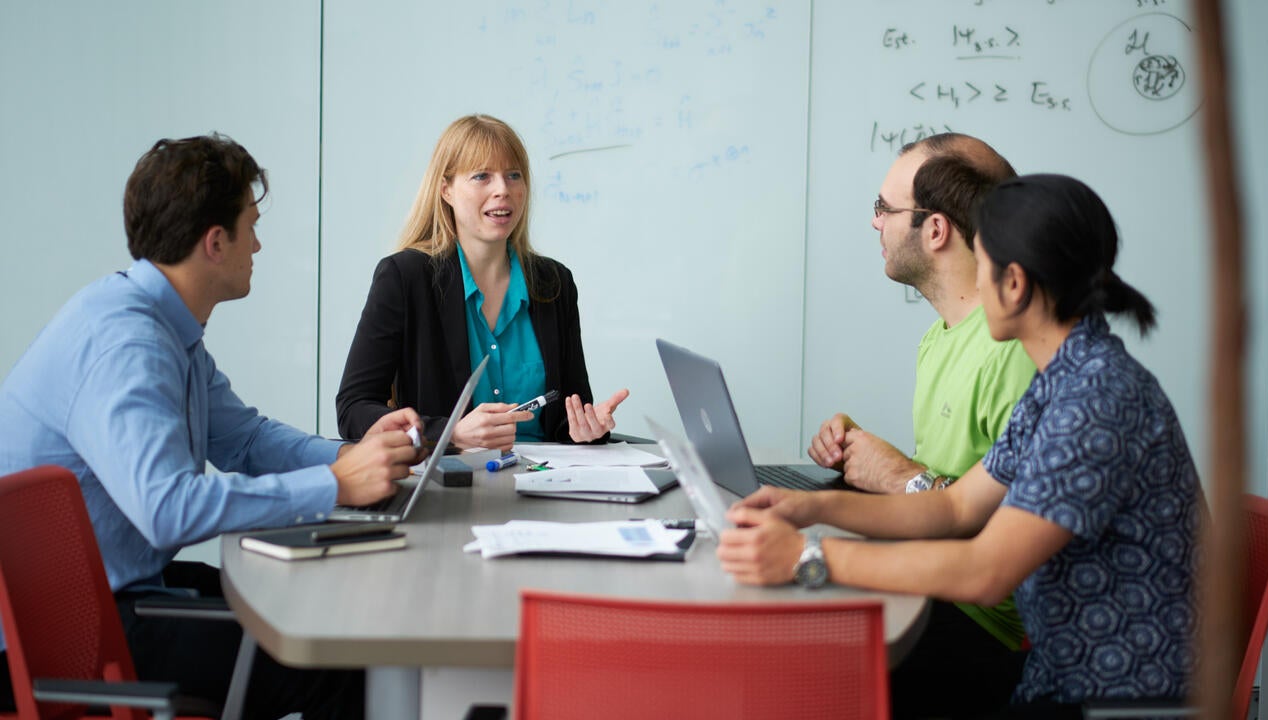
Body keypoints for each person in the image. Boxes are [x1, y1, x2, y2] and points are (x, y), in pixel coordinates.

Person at [718, 174, 1202, 717]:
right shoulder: (1065, 375)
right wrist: (809, 507)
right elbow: (956, 505)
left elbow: (985, 574)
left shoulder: (1095, 399)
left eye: (983, 265)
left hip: (1116, 695)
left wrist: (807, 558)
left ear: (1014, 283)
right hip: (1066, 672)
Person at [0, 134, 424, 719]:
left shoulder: (163, 327)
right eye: (250, 225)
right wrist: (336, 485)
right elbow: (168, 506)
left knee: (321, 611)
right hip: (75, 633)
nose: (259, 242)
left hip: (109, 594)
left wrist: (350, 455)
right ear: (215, 242)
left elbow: (245, 439)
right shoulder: (129, 343)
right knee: (343, 661)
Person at [811, 134, 1039, 715]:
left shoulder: (1014, 351)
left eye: (884, 209)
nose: (874, 223)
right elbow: (951, 489)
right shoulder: (939, 340)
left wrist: (898, 477)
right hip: (942, 587)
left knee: (804, 655)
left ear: (935, 230)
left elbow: (1009, 550)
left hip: (993, 631)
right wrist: (860, 460)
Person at [337, 114, 627, 450]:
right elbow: (353, 410)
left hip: (545, 484)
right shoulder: (404, 278)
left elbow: (566, 414)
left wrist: (586, 428)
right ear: (445, 189)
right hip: (450, 488)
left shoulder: (554, 282)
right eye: (481, 177)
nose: (502, 190)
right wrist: (451, 433)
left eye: (513, 175)